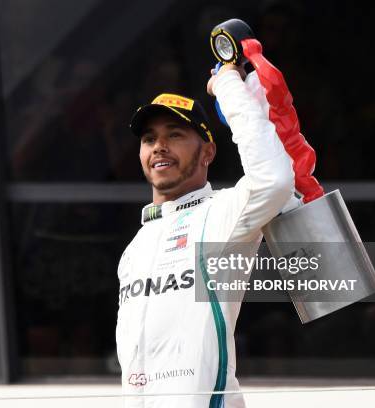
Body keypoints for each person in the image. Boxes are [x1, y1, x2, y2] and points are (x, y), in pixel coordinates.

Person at [116, 62, 295, 407]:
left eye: (175, 135)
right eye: (149, 139)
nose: (159, 147)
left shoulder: (222, 213)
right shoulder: (135, 247)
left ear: (208, 152)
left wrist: (228, 85)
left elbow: (273, 179)